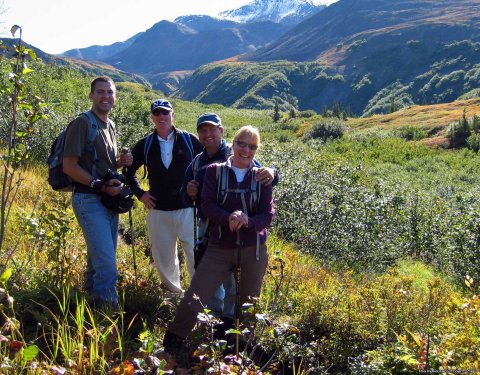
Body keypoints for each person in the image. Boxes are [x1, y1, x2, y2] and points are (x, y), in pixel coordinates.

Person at [163, 125, 274, 352]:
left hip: (253, 249)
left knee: (249, 303)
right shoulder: (213, 171)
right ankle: (173, 342)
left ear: (257, 150)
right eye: (241, 143)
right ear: (232, 144)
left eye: (252, 146)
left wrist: (247, 222)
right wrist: (228, 218)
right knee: (195, 296)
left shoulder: (263, 177)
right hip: (219, 247)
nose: (245, 150)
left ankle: (239, 348)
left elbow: (267, 214)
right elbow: (206, 206)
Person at [63, 76, 133, 307]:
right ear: (91, 95)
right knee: (107, 266)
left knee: (97, 261)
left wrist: (120, 163)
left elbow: (101, 163)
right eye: (101, 92)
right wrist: (100, 185)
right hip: (88, 199)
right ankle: (107, 319)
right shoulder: (82, 123)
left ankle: (89, 307)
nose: (106, 96)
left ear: (115, 96)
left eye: (110, 92)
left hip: (106, 200)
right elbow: (69, 166)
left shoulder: (109, 124)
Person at [126, 99, 203, 295]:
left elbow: (207, 166)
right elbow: (129, 171)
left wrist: (200, 192)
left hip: (188, 209)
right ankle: (175, 295)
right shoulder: (145, 144)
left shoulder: (189, 140)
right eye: (157, 113)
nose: (161, 117)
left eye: (165, 113)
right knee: (164, 259)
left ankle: (197, 297)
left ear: (173, 114)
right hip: (158, 210)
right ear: (152, 117)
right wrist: (140, 194)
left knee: (195, 255)